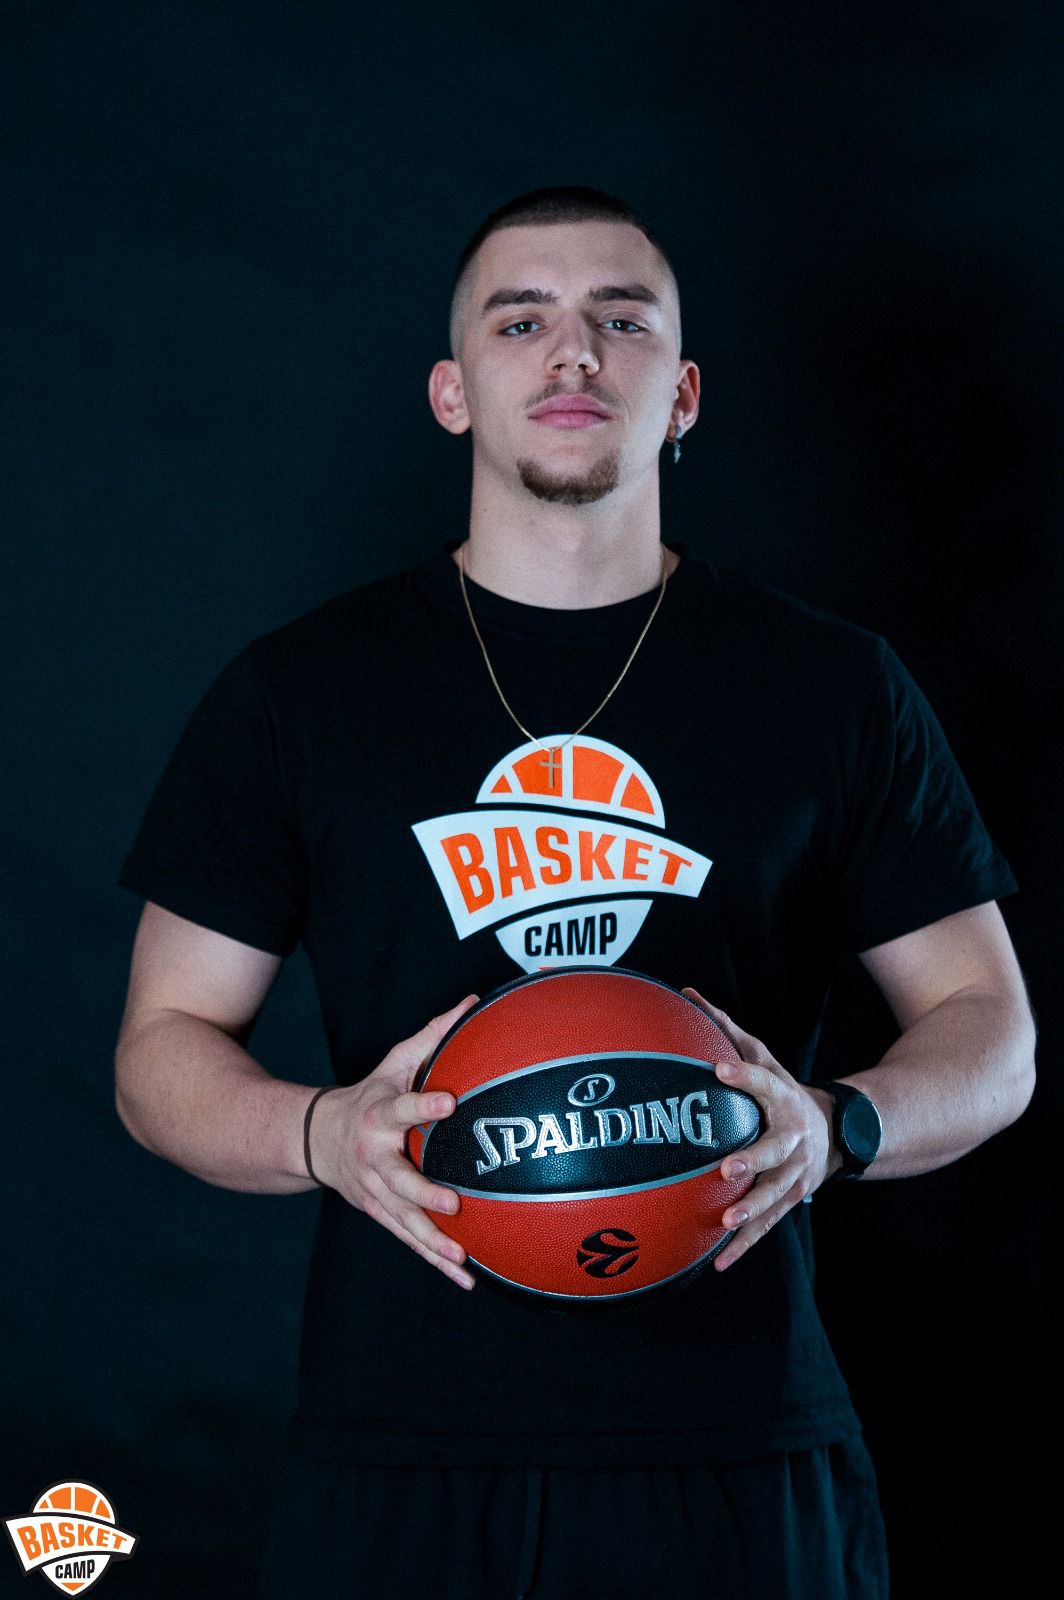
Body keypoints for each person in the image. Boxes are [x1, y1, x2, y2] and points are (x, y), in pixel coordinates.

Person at [114, 186, 1035, 1599]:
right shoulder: (302, 692)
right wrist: (321, 1133)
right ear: (451, 392)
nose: (574, 352)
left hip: (738, 1445)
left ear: (684, 395)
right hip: (402, 1445)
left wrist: (840, 1125)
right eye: (521, 320)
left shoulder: (831, 686)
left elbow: (991, 1028)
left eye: (622, 320)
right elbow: (158, 1049)